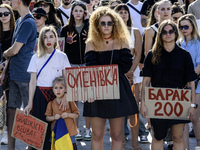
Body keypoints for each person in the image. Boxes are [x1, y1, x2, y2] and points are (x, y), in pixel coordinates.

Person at [84, 7, 139, 150]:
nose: (106, 26)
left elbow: (126, 65)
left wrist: (108, 74)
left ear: (115, 24)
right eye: (103, 23)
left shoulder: (122, 41)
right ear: (97, 25)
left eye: (110, 23)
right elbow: (90, 67)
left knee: (116, 135)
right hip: (96, 91)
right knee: (97, 135)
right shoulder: (91, 43)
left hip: (118, 89)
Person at [140, 19, 197, 150]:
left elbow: (190, 82)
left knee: (178, 137)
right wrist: (143, 103)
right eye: (164, 32)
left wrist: (193, 104)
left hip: (178, 100)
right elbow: (146, 81)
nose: (168, 34)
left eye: (171, 31)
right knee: (157, 136)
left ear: (176, 33)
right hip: (157, 100)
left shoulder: (184, 55)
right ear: (160, 35)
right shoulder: (152, 55)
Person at [24, 26, 70, 150]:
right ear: (41, 41)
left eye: (51, 36)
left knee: (55, 126)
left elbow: (66, 79)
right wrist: (29, 103)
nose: (48, 40)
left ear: (56, 39)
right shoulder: (35, 57)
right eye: (45, 37)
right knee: (40, 127)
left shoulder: (62, 56)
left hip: (57, 95)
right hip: (40, 94)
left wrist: (66, 95)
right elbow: (32, 82)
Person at [2, 0, 37, 149]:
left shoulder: (29, 22)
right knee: (11, 111)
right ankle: (11, 147)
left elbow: (14, 50)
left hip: (25, 74)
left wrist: (4, 53)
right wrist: (4, 71)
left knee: (30, 113)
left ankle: (31, 147)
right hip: (14, 74)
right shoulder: (19, 21)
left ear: (18, 1)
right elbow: (13, 53)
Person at [60, 1, 91, 141]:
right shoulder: (65, 30)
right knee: (74, 100)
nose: (78, 13)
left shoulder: (90, 27)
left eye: (81, 11)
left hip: (87, 65)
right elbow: (62, 51)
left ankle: (88, 129)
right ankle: (76, 129)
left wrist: (88, 20)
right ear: (72, 12)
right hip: (71, 66)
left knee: (89, 99)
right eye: (76, 10)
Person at [115, 4, 143, 149]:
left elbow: (138, 54)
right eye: (120, 12)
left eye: (125, 12)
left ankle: (135, 144)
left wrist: (131, 71)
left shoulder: (136, 31)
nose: (123, 14)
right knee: (120, 110)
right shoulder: (113, 32)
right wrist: (124, 72)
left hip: (134, 74)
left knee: (134, 109)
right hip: (118, 75)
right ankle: (122, 143)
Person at [178, 13, 200, 148]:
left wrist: (189, 79)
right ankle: (185, 147)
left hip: (196, 84)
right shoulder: (177, 43)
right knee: (183, 119)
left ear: (193, 26)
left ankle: (198, 144)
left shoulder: (198, 43)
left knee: (194, 117)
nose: (183, 29)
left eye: (186, 26)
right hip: (181, 85)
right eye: (181, 27)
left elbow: (199, 66)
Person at [45, 76, 79, 149]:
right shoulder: (51, 104)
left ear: (65, 89)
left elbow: (76, 114)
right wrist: (54, 117)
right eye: (56, 88)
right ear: (53, 90)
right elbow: (47, 118)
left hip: (70, 132)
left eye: (61, 88)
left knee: (71, 147)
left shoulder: (69, 102)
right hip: (57, 132)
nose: (58, 90)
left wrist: (68, 115)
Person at [0, 3, 15, 145]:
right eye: (0, 14)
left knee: (9, 104)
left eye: (6, 13)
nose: (3, 16)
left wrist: (5, 64)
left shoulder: (15, 31)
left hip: (11, 71)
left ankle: (7, 132)